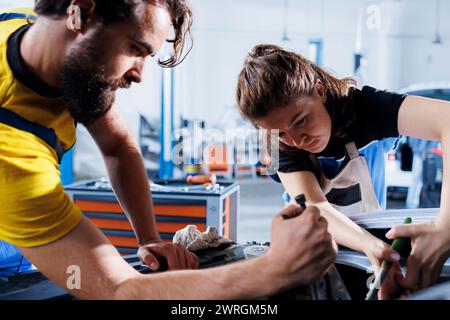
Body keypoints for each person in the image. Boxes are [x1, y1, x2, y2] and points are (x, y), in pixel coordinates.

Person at [0, 1, 337, 299]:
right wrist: (274, 271)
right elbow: (119, 290)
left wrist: (148, 238)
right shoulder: (13, 158)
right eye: (135, 48)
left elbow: (118, 145)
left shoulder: (25, 27)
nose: (140, 75)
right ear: (80, 13)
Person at [235, 44, 450, 298]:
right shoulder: (273, 141)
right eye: (281, 133)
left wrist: (445, 228)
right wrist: (370, 246)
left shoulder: (363, 106)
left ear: (319, 90)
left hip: (371, 231)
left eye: (301, 120)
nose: (297, 140)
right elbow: (315, 206)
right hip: (312, 241)